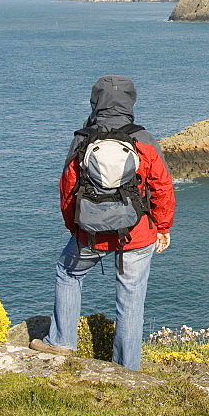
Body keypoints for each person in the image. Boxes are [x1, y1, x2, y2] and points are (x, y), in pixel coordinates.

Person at [31, 75, 175, 371]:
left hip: (91, 233)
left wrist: (76, 228)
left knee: (68, 273)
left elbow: (67, 188)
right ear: (131, 102)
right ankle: (126, 368)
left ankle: (62, 342)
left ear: (95, 102)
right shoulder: (143, 139)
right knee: (131, 301)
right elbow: (162, 186)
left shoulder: (83, 138)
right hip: (137, 234)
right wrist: (162, 228)